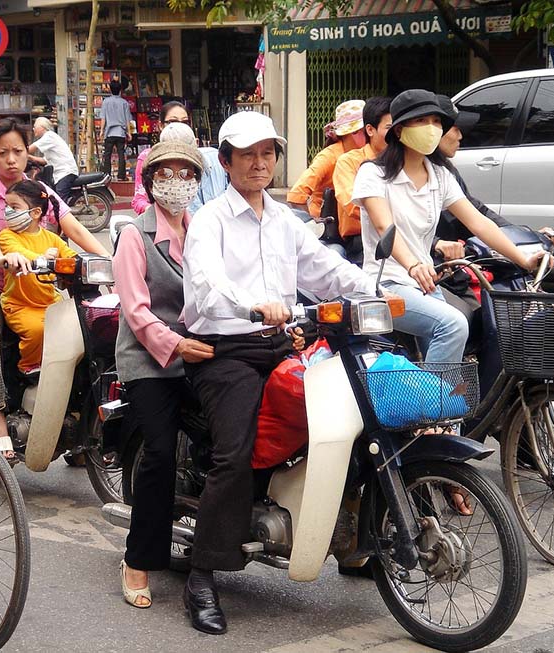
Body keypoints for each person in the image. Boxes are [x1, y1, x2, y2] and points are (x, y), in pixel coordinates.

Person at [180, 111, 377, 635]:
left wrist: (377, 292)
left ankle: (357, 540)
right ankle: (202, 574)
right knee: (234, 451)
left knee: (351, 420)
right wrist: (254, 305)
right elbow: (207, 283)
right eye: (247, 154)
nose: (259, 163)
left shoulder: (285, 221)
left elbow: (325, 268)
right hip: (225, 350)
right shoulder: (209, 220)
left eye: (267, 153)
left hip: (282, 343)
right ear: (225, 162)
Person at [350, 89, 545, 368]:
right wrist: (414, 264)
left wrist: (523, 259)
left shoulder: (440, 175)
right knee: (453, 325)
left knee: (462, 344)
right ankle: (433, 409)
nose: (431, 128)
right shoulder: (373, 173)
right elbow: (384, 225)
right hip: (387, 284)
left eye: (436, 121)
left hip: (426, 284)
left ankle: (444, 409)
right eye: (421, 121)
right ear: (400, 129)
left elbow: (478, 221)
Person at [0, 118, 106, 458]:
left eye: (17, 151)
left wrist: (116, 261)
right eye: (2, 153)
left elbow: (75, 230)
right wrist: (1, 258)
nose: (11, 159)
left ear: (28, 154)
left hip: (40, 289)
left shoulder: (43, 193)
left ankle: (74, 416)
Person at [113, 140, 213, 610]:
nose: (177, 182)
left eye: (186, 173)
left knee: (230, 438)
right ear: (150, 181)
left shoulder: (204, 230)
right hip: (149, 362)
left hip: (200, 353)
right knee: (159, 452)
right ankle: (137, 559)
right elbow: (135, 310)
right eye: (166, 173)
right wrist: (176, 345)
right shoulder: (135, 235)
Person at [0, 179, 77, 373]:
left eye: (14, 206)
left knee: (77, 327)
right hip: (19, 305)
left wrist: (83, 264)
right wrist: (42, 259)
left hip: (50, 302)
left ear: (35, 213)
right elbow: (16, 251)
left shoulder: (52, 239)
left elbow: (70, 256)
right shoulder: (7, 236)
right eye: (7, 206)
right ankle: (29, 367)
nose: (8, 211)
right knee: (36, 331)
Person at [132, 101, 227, 215]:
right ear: (161, 125)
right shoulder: (148, 159)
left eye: (185, 122)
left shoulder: (212, 159)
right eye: (172, 122)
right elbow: (139, 199)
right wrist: (156, 214)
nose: (178, 127)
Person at [286, 99, 366, 218]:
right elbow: (297, 195)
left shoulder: (365, 153)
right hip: (331, 229)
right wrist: (313, 224)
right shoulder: (329, 156)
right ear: (355, 132)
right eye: (367, 130)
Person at [333, 96, 392, 244]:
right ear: (370, 130)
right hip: (360, 239)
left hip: (400, 232)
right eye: (389, 128)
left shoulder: (401, 160)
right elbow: (351, 204)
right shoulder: (347, 161)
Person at [29, 117, 79, 201]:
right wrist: (30, 157)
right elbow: (45, 161)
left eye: (35, 126)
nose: (33, 129)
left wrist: (18, 151)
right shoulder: (49, 138)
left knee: (60, 202)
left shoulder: (49, 136)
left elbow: (31, 149)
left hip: (65, 172)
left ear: (42, 127)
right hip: (60, 173)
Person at [99, 80, 132, 180]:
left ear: (110, 89)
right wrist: (129, 133)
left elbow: (103, 118)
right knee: (121, 154)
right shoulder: (124, 103)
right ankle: (121, 176)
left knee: (107, 154)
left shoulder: (105, 102)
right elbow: (127, 120)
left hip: (109, 132)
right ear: (120, 90)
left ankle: (106, 175)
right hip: (121, 132)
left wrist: (101, 131)